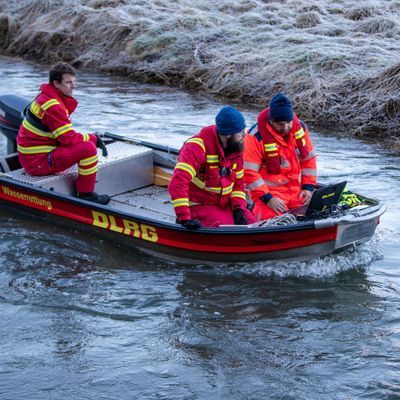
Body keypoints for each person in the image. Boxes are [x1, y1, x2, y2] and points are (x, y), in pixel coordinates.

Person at [16, 61, 110, 204]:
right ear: (56, 84)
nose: (73, 86)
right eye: (68, 82)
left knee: (83, 142)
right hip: (37, 162)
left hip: (32, 156)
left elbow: (63, 134)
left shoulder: (44, 96)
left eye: (74, 81)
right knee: (88, 149)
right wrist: (93, 139)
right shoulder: (54, 106)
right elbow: (67, 138)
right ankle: (86, 195)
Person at [168, 106, 257, 229]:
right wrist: (184, 218)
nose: (244, 135)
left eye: (244, 130)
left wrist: (239, 209)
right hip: (200, 205)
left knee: (253, 223)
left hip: (225, 204)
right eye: (240, 132)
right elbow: (177, 183)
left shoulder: (235, 148)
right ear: (228, 135)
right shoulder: (196, 147)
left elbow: (238, 184)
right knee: (227, 230)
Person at [243, 93, 317, 220]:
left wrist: (308, 187)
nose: (286, 127)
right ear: (271, 121)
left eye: (288, 123)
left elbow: (309, 160)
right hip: (268, 194)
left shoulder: (300, 129)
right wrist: (268, 198)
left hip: (296, 191)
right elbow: (249, 173)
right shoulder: (255, 137)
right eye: (280, 124)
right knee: (271, 220)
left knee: (314, 213)